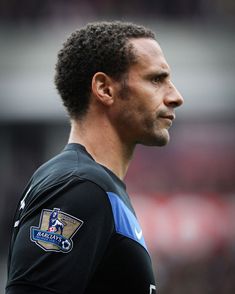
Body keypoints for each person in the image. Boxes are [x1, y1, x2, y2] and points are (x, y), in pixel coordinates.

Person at [6, 21, 183, 294]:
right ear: (104, 89)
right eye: (156, 79)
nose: (176, 97)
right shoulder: (79, 187)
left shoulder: (95, 186)